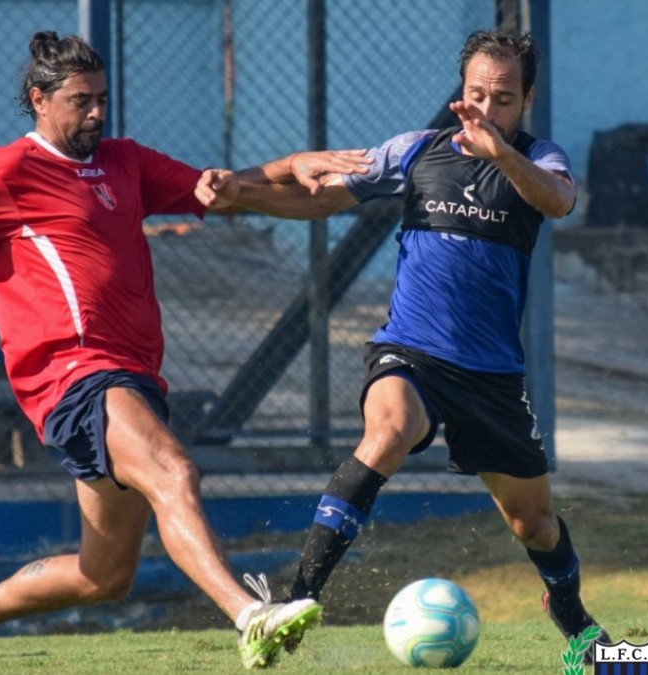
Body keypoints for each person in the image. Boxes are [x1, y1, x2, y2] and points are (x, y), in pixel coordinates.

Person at [0, 32, 367, 674]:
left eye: (103, 99)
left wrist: (293, 165)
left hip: (131, 376)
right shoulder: (5, 173)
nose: (98, 114)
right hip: (71, 375)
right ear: (39, 100)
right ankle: (250, 618)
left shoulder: (123, 162)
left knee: (102, 577)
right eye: (82, 101)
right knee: (175, 472)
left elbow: (221, 189)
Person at [199, 30, 611, 662]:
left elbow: (557, 201)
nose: (488, 107)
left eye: (503, 98)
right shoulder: (415, 152)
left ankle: (578, 626)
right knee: (389, 430)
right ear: (459, 94)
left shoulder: (539, 160)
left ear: (527, 99)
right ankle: (295, 600)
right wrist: (242, 194)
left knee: (533, 523)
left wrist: (500, 152)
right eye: (477, 93)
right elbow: (320, 197)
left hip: (492, 373)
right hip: (411, 349)